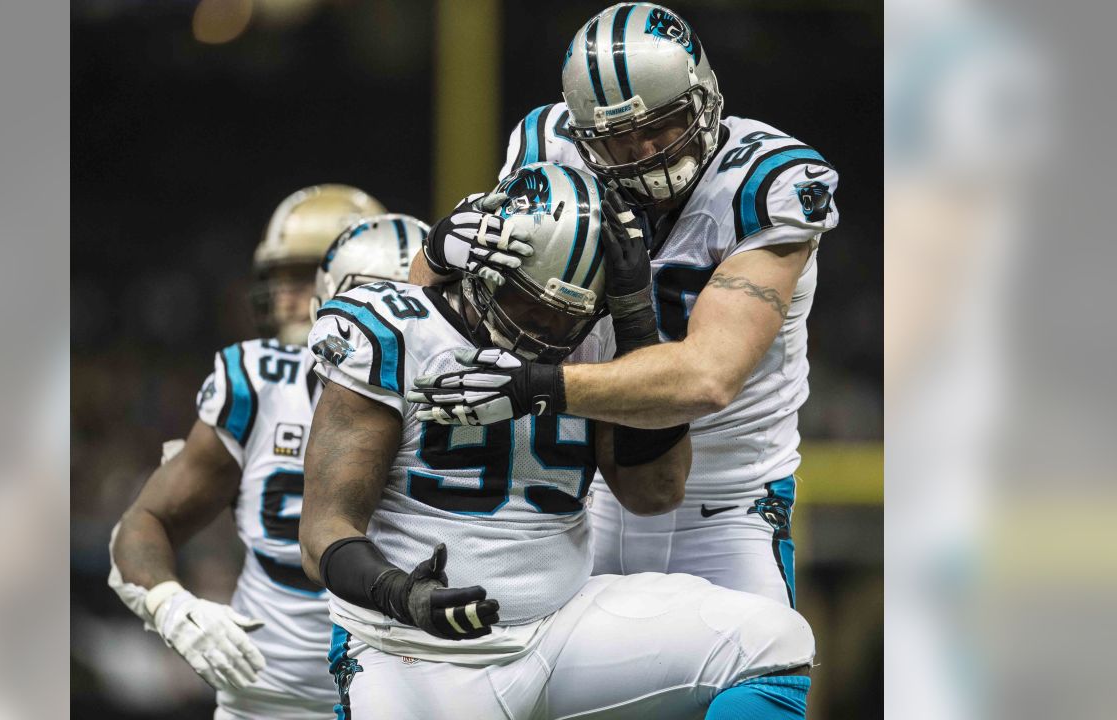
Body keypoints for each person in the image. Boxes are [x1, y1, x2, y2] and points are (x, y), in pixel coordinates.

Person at [303, 162, 815, 720]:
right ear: (484, 269)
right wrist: (402, 595)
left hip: (559, 627)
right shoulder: (389, 332)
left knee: (772, 642)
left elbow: (655, 492)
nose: (545, 331)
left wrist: (636, 329)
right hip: (414, 651)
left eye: (567, 315)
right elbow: (323, 529)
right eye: (531, 305)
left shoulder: (594, 339)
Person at [410, 3, 840, 608]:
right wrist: (439, 252)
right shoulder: (546, 150)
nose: (643, 154)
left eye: (661, 126)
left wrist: (537, 384)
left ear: (705, 98)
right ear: (582, 138)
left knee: (769, 672)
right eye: (615, 140)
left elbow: (708, 377)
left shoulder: (766, 183)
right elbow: (434, 314)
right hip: (586, 491)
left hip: (729, 499)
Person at [108, 183, 425, 719]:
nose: (288, 298)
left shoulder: (459, 389)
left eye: (302, 277)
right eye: (282, 280)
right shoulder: (259, 383)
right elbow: (145, 523)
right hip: (268, 698)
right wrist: (170, 604)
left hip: (413, 695)